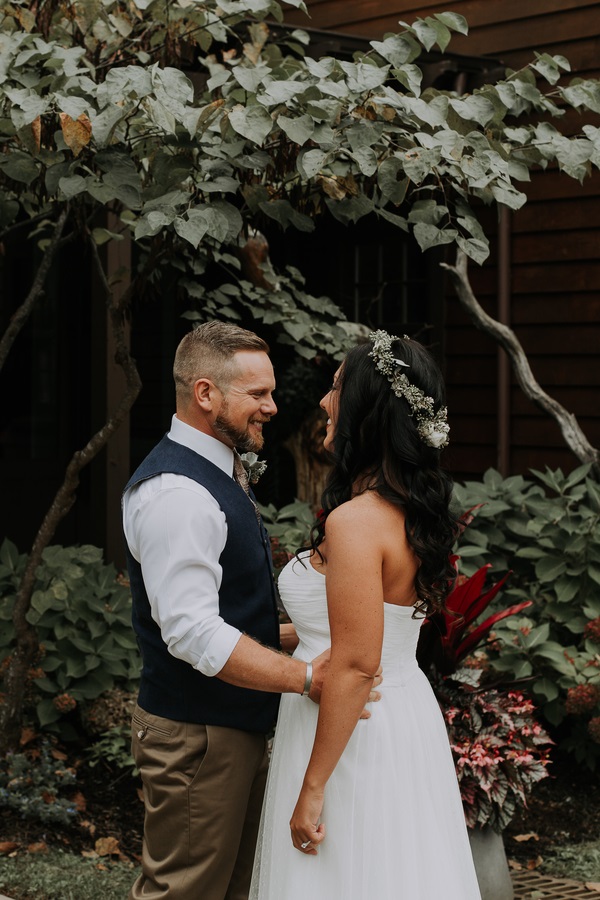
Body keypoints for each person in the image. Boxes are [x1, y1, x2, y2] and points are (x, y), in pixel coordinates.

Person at [122, 321, 377, 900]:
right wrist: (310, 677)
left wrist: (296, 635)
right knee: (183, 891)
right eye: (257, 394)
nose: (272, 406)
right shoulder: (176, 494)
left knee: (234, 889)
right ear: (205, 393)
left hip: (226, 727)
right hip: (197, 736)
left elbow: (222, 610)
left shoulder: (216, 468)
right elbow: (190, 631)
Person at [250, 330, 482, 899]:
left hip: (354, 731)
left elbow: (355, 663)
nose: (325, 402)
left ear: (365, 408)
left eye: (336, 387)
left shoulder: (355, 522)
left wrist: (311, 785)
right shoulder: (406, 511)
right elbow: (358, 629)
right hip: (400, 718)